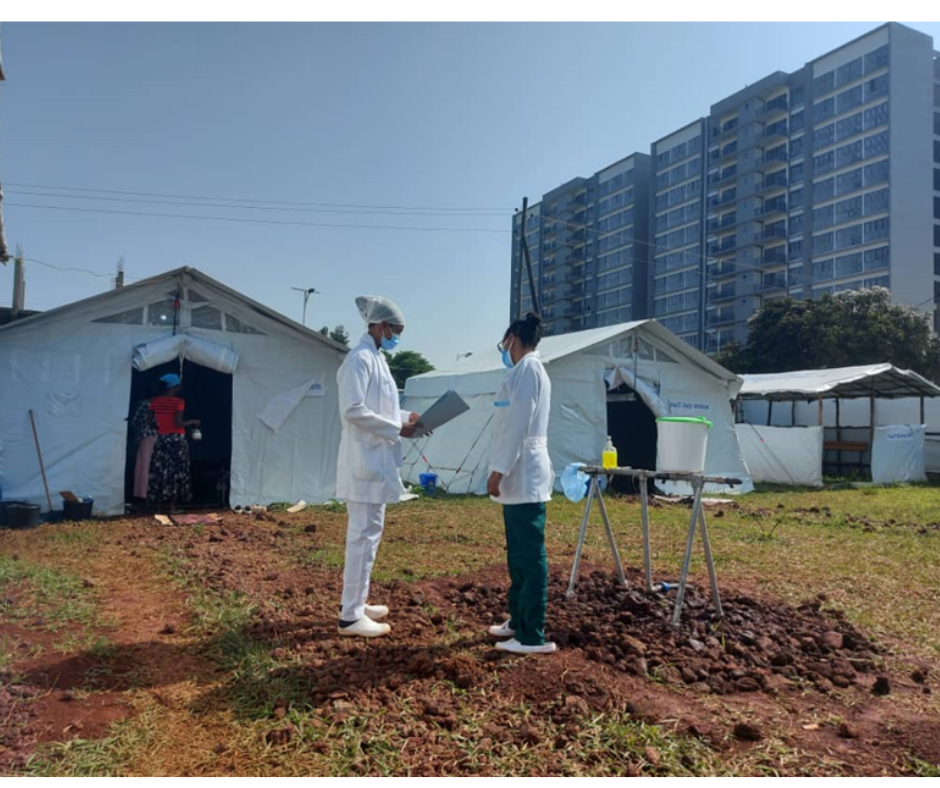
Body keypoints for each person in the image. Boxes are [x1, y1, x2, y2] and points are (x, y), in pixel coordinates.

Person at [335, 295, 420, 638]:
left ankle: (357, 602)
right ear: (381, 326)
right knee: (361, 536)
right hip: (363, 461)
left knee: (370, 535)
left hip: (376, 460)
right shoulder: (359, 360)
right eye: (396, 330)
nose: (397, 336)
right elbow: (353, 410)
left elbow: (380, 409)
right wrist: (397, 427)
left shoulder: (377, 359)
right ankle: (350, 616)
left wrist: (405, 418)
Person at [486, 312, 556, 655]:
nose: (504, 348)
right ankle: (518, 620)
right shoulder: (523, 371)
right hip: (518, 476)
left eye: (505, 341)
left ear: (513, 337)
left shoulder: (529, 370)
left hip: (523, 474)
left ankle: (532, 635)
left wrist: (498, 470)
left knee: (529, 555)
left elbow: (516, 425)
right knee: (517, 554)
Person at [148, 373, 201, 512]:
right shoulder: (178, 402)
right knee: (175, 473)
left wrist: (159, 428)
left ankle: (159, 507)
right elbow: (178, 423)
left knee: (160, 472)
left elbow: (149, 421)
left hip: (161, 439)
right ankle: (172, 507)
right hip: (176, 440)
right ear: (176, 387)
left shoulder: (154, 401)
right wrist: (192, 422)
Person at [130, 383, 161, 500]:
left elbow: (134, 421)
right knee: (153, 464)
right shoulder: (158, 405)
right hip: (157, 435)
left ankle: (142, 492)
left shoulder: (144, 403)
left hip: (145, 436)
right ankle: (151, 492)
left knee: (143, 464)